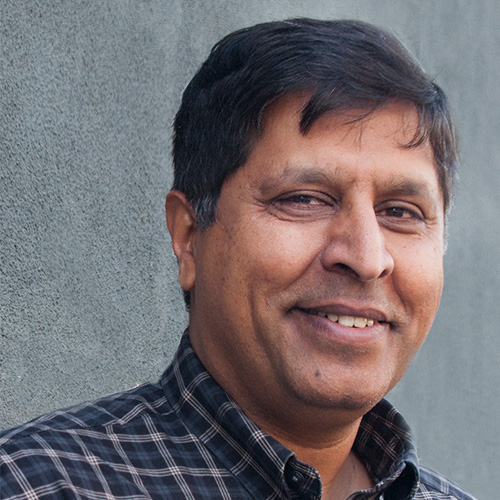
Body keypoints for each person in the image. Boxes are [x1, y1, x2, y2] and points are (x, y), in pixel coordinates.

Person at [0, 18, 476, 500]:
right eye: (304, 199)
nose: (367, 258)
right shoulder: (35, 485)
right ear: (188, 236)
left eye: (400, 212)